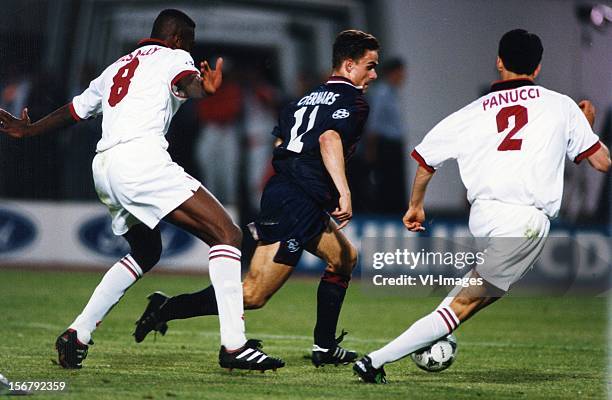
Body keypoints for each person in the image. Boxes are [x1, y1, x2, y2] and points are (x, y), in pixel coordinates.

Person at [0, 9, 284, 372]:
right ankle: (234, 345)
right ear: (178, 38)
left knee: (146, 251)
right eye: (191, 43)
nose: (193, 52)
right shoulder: (175, 57)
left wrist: (29, 130)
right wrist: (204, 89)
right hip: (141, 160)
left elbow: (75, 110)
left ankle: (78, 333)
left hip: (104, 167)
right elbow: (185, 81)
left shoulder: (116, 67)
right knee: (228, 235)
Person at [353, 29, 611, 384]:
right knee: (459, 305)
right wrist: (587, 125)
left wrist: (416, 206)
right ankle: (375, 361)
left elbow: (426, 160)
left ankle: (423, 338)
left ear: (499, 62)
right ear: (537, 68)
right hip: (522, 224)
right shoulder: (560, 104)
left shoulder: (471, 112)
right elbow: (601, 162)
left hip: (485, 220)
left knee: (480, 297)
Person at [133, 29, 380, 367]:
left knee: (344, 258)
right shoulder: (354, 102)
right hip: (298, 201)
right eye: (370, 66)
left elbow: (281, 144)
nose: (373, 74)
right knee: (253, 294)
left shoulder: (303, 99)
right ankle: (167, 308)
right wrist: (343, 191)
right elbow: (329, 140)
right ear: (349, 65)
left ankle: (324, 347)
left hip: (293, 194)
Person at [363, 57, 408, 213]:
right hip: (385, 144)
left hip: (394, 144)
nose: (403, 76)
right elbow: (374, 122)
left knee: (396, 182)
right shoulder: (382, 93)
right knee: (387, 182)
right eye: (401, 73)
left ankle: (397, 210)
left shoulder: (393, 93)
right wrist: (371, 149)